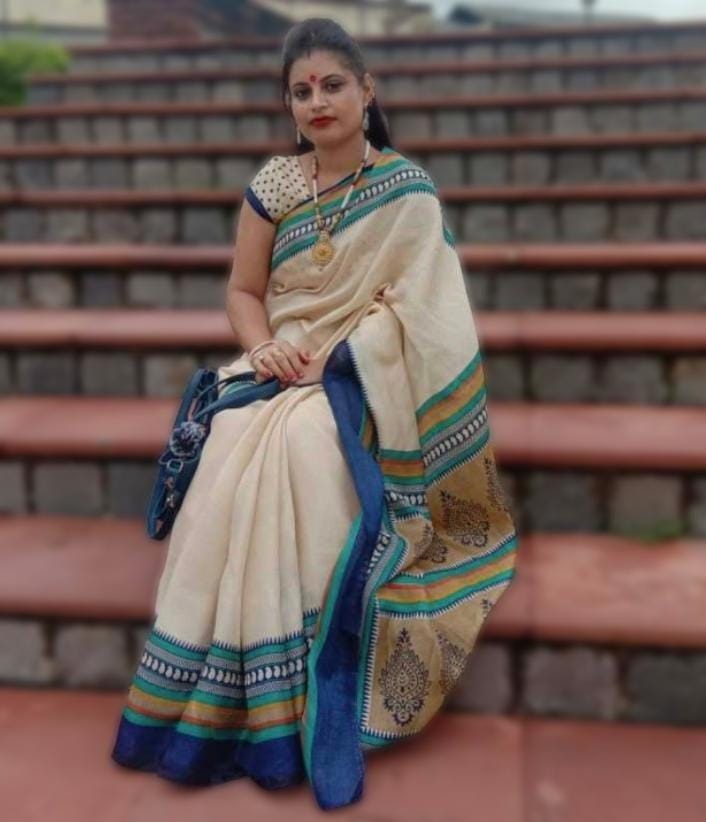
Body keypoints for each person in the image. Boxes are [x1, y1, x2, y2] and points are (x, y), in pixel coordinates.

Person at [110, 16, 519, 812]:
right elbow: (243, 292)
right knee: (233, 434)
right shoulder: (276, 186)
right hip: (279, 359)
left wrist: (348, 355)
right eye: (301, 92)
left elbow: (428, 311)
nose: (317, 101)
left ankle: (309, 676)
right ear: (290, 107)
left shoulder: (405, 191)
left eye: (333, 85)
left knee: (304, 440)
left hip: (360, 373)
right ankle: (236, 689)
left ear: (367, 91)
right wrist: (264, 347)